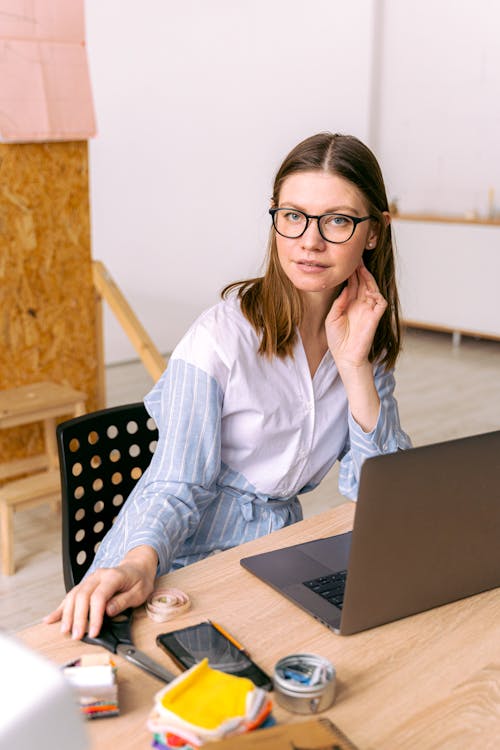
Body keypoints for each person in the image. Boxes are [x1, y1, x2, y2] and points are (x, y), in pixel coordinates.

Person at [45, 132, 411, 639]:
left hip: (271, 555)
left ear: (373, 232)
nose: (310, 240)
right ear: (276, 218)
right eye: (293, 215)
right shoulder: (220, 338)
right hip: (174, 560)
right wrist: (139, 561)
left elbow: (386, 496)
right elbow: (176, 485)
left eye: (338, 221)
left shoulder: (364, 340)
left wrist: (354, 367)